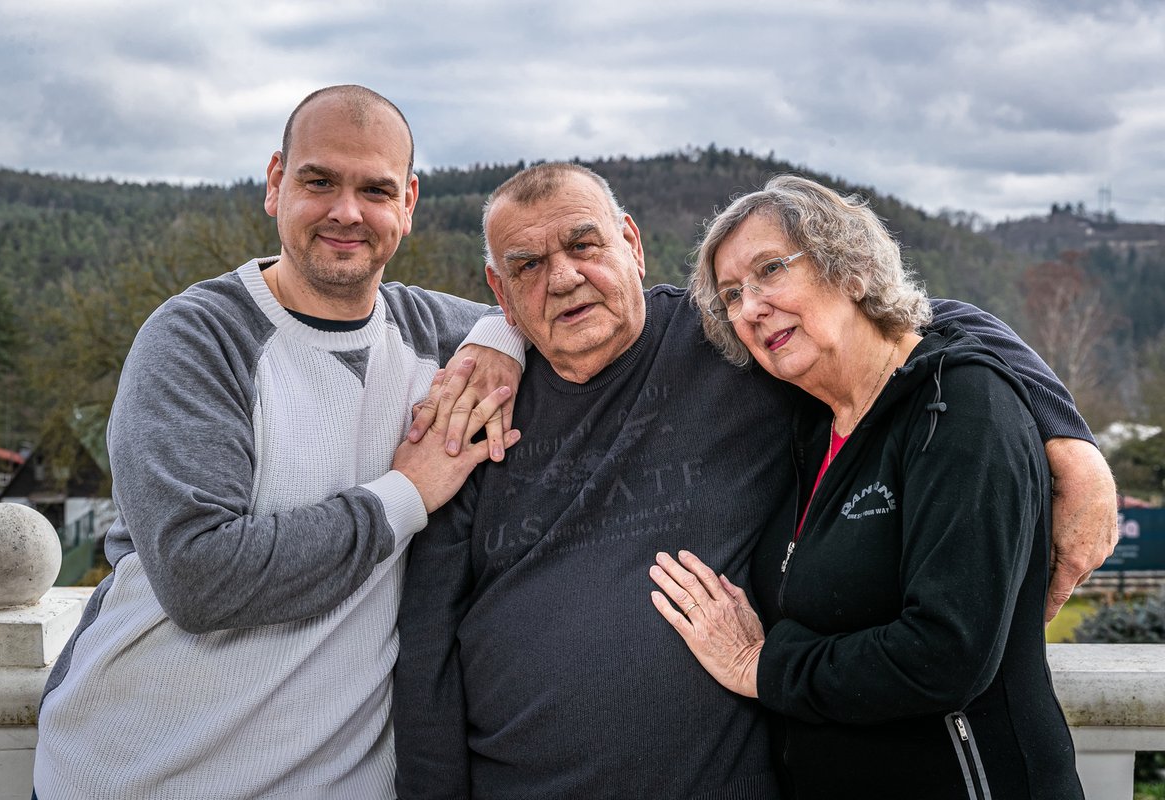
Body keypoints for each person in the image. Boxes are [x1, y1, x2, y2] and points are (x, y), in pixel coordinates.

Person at [392, 164, 1113, 798]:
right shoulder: (474, 406)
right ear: (499, 289)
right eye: (526, 265)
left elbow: (898, 332)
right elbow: (427, 644)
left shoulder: (731, 353)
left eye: (585, 244)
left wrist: (1064, 429)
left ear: (632, 244)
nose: (565, 277)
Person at [32, 85, 525, 800]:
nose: (346, 212)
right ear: (275, 184)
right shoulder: (199, 337)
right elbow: (200, 577)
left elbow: (557, 309)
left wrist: (504, 339)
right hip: (132, 773)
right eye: (318, 180)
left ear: (410, 204)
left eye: (376, 190)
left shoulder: (439, 337)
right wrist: (406, 493)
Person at [649, 175, 1085, 798]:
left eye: (770, 269)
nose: (749, 308)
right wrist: (496, 344)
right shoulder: (809, 428)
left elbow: (944, 654)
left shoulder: (960, 405)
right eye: (732, 296)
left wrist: (762, 665)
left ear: (850, 269)